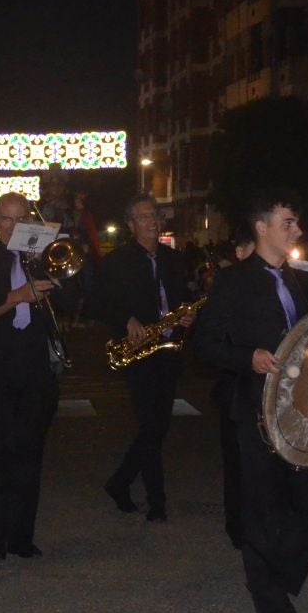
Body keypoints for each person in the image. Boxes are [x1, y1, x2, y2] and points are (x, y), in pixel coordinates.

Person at [193, 191, 308, 613]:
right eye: (288, 223)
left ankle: (277, 572)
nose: (296, 230)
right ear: (262, 228)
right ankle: (273, 610)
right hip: (255, 409)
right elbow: (204, 342)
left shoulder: (295, 280)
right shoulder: (235, 281)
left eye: (296, 223)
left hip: (300, 409)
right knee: (261, 508)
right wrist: (247, 357)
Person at [0, 192, 60, 561]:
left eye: (21, 219)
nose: (13, 227)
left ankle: (22, 537)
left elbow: (70, 300)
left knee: (30, 452)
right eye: (6, 219)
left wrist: (53, 270)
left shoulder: (39, 255)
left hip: (36, 367)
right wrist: (20, 295)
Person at [96, 195, 190, 522]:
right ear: (131, 224)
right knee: (151, 425)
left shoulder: (174, 259)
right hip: (139, 351)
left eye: (155, 214)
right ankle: (156, 499)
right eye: (144, 216)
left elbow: (182, 298)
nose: (152, 220)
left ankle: (120, 481)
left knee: (157, 426)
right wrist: (127, 319)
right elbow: (102, 302)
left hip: (168, 349)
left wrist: (186, 317)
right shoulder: (117, 261)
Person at [210, 232, 256, 549]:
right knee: (237, 458)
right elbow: (213, 341)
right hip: (237, 384)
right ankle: (237, 523)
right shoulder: (229, 282)